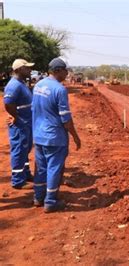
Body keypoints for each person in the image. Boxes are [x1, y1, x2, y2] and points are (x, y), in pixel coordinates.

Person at [32, 57, 81, 213]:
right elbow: (66, 119)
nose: (67, 73)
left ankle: (38, 197)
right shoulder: (59, 90)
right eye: (65, 70)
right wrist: (75, 136)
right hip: (54, 137)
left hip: (39, 135)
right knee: (54, 168)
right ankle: (51, 202)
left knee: (40, 168)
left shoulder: (38, 85)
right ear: (58, 71)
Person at [3, 59, 35, 189]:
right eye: (26, 68)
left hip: (26, 122)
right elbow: (8, 104)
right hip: (20, 123)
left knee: (25, 149)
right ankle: (17, 181)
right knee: (18, 150)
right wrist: (15, 116)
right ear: (18, 70)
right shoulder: (14, 85)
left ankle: (26, 174)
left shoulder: (21, 83)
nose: (30, 70)